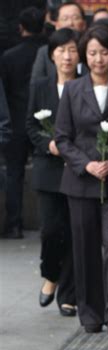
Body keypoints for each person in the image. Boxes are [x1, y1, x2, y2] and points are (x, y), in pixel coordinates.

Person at [55, 25, 108, 334]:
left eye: (104, 52)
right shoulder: (73, 90)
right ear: (84, 55)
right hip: (81, 182)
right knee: (85, 247)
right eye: (92, 53)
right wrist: (87, 164)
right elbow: (63, 137)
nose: (98, 59)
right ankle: (90, 312)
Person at [26, 27, 80, 317]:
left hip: (78, 171)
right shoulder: (41, 86)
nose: (67, 56)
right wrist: (49, 144)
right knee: (51, 230)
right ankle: (51, 274)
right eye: (61, 51)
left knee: (74, 231)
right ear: (52, 55)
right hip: (49, 170)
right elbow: (30, 126)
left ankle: (69, 295)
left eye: (72, 50)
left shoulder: (85, 85)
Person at [0, 6, 45, 239]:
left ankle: (14, 224)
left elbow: (4, 92)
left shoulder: (9, 56)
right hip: (44, 122)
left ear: (20, 27)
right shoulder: (48, 53)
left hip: (16, 120)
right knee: (46, 170)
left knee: (14, 173)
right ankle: (46, 223)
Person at [30, 2, 87, 83]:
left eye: (75, 18)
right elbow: (36, 84)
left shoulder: (90, 50)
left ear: (84, 24)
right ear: (57, 25)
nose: (70, 23)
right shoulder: (44, 52)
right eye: (65, 18)